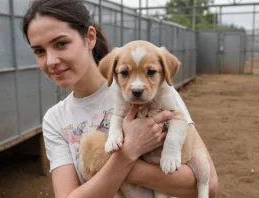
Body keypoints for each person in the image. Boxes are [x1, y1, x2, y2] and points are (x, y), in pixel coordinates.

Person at [21, 0, 218, 197]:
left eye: (61, 43)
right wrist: (126, 155)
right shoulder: (55, 120)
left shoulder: (154, 90)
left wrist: (117, 164)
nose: (51, 61)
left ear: (90, 38)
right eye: (39, 51)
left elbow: (207, 184)